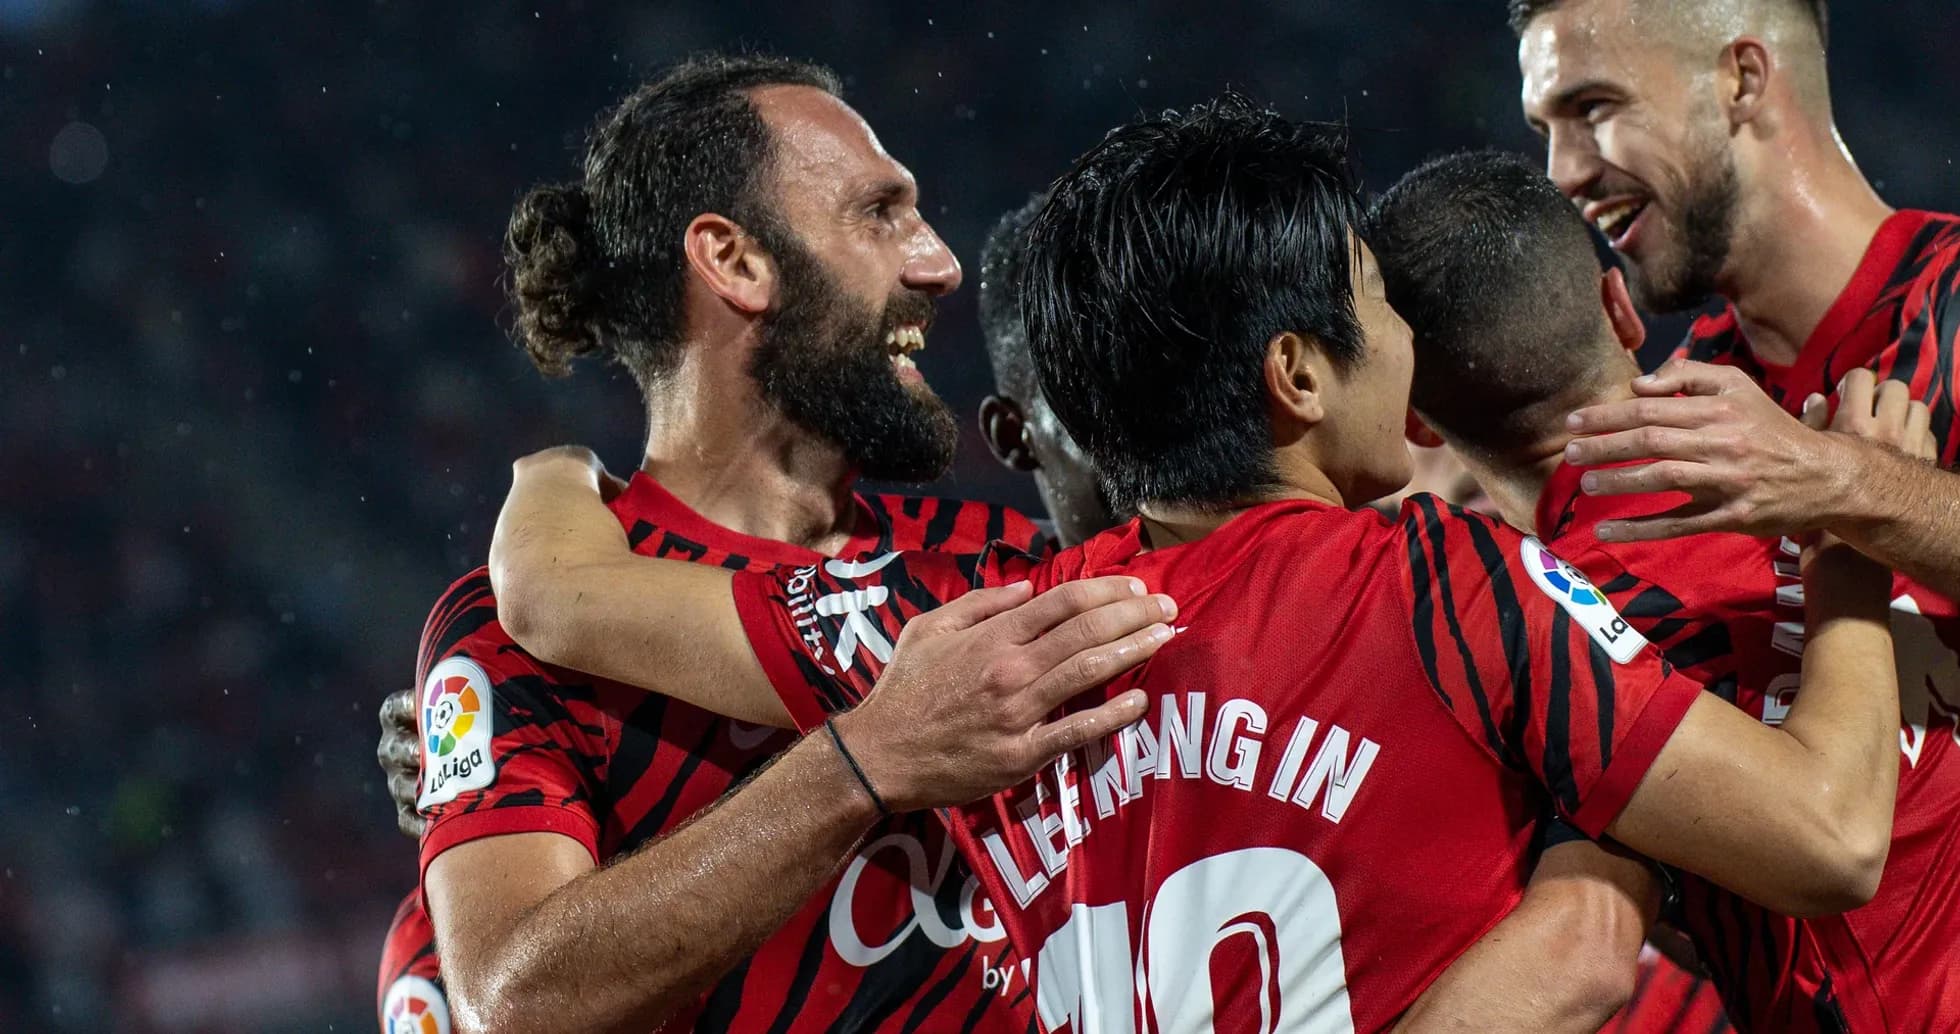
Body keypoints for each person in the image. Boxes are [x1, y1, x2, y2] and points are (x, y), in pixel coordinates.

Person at [481, 95, 1902, 1032]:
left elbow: (560, 595)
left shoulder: (983, 636)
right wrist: (1848, 543)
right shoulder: (1441, 579)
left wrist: (550, 470)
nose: (1405, 343)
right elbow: (1829, 837)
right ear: (1297, 373)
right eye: (1374, 305)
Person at [394, 53, 1188, 1034]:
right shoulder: (513, 635)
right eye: (879, 215)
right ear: (735, 262)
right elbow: (515, 1001)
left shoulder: (996, 557)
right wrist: (861, 765)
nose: (939, 264)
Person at [1367, 148, 1960, 1031]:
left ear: (1415, 421)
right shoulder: (1844, 449)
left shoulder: (1543, 634)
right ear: (1621, 308)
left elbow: (1829, 850)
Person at [1512, 0, 1960, 599]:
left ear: (1742, 81)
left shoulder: (1949, 303)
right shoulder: (1680, 415)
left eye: (1593, 107)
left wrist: (1853, 486)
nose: (1562, 174)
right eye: (1545, 132)